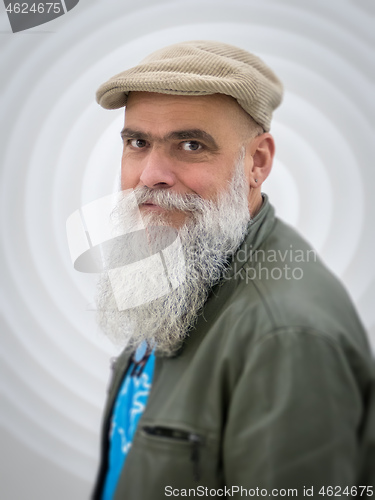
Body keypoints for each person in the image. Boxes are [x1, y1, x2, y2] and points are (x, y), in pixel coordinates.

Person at [92, 41, 375, 499]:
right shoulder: (185, 264)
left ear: (257, 162)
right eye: (137, 143)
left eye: (190, 145)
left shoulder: (285, 336)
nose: (150, 175)